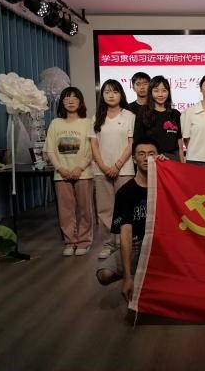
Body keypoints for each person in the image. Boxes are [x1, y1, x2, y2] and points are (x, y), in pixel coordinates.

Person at [96, 139, 167, 302]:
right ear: (134, 159)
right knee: (104, 274)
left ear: (158, 156)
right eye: (141, 154)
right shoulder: (125, 192)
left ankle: (152, 277)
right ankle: (137, 275)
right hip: (137, 246)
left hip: (162, 246)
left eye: (151, 154)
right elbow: (126, 233)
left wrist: (169, 166)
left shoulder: (166, 186)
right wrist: (127, 277)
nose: (146, 158)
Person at [44, 87, 94, 256]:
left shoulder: (88, 123)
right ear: (62, 102)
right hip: (61, 174)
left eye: (74, 98)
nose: (71, 101)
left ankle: (84, 241)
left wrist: (80, 167)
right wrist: (60, 169)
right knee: (65, 211)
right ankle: (70, 241)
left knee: (85, 210)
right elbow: (50, 149)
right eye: (66, 98)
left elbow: (92, 149)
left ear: (80, 102)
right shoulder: (55, 123)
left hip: (83, 173)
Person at [89, 79, 135, 259]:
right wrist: (103, 165)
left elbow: (131, 144)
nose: (111, 95)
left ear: (121, 94)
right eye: (107, 92)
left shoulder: (129, 116)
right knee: (105, 209)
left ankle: (125, 243)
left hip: (124, 169)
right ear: (102, 95)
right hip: (102, 170)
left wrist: (117, 165)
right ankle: (109, 244)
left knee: (125, 208)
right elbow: (93, 144)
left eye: (115, 92)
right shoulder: (97, 117)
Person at [134, 76, 184, 162]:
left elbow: (179, 144)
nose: (160, 94)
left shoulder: (175, 114)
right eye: (156, 91)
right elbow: (138, 141)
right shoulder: (143, 113)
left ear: (168, 92)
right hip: (152, 159)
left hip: (173, 160)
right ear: (151, 92)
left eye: (164, 90)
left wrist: (182, 163)